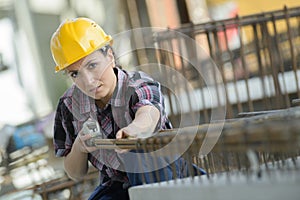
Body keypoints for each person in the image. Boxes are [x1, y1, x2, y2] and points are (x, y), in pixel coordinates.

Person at [50, 17, 181, 200]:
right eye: (75, 74)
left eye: (92, 65)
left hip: (164, 173)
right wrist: (79, 147)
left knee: (137, 152)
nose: (88, 81)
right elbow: (75, 173)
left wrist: (134, 130)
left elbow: (149, 113)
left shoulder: (137, 84)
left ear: (110, 56)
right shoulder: (69, 106)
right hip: (116, 185)